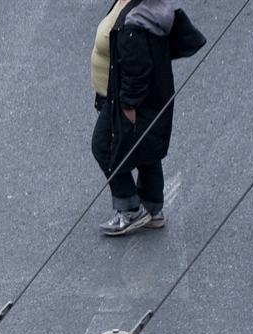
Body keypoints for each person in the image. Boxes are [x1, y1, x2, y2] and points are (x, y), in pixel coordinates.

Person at [93, 0, 177, 236]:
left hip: (123, 100)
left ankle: (130, 208)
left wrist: (129, 107)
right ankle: (153, 209)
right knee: (144, 147)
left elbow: (135, 69)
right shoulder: (144, 7)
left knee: (103, 146)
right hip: (128, 96)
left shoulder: (135, 22)